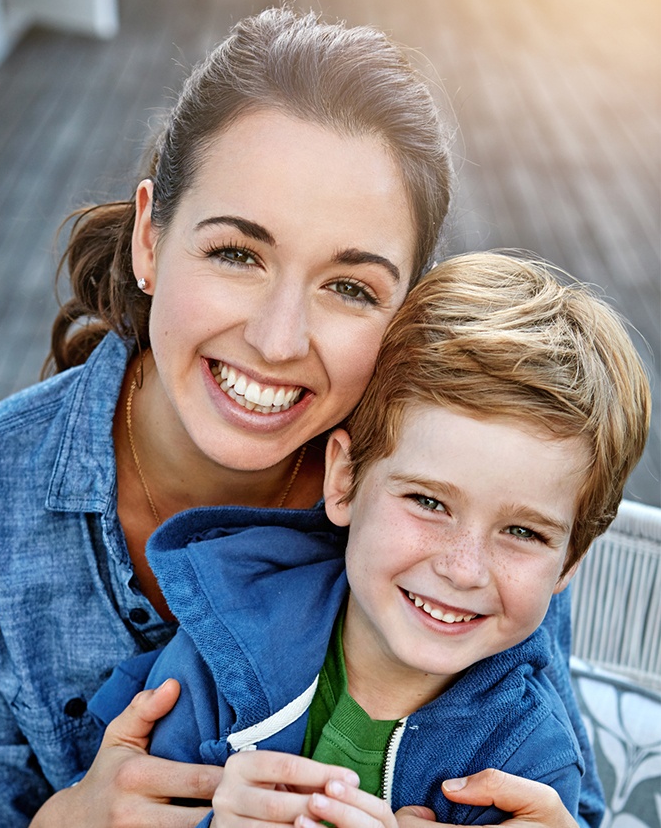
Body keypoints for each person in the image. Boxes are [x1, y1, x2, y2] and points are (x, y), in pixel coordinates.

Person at [0, 6, 594, 828]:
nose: (277, 338)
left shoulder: (479, 502)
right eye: (236, 254)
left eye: (350, 286)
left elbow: (566, 788)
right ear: (150, 240)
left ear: (406, 310)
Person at [88, 251, 650, 826]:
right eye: (429, 502)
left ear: (570, 562)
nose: (463, 569)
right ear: (345, 480)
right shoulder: (227, 643)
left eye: (523, 532)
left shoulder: (527, 760)